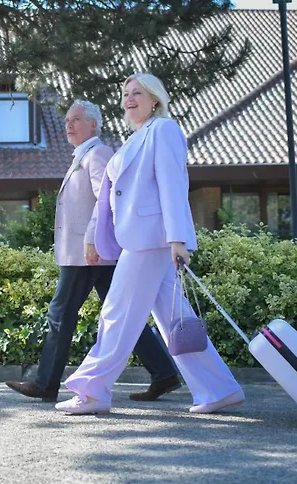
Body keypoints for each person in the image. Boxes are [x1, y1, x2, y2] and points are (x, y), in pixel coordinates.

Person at [55, 74, 245, 415]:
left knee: (116, 313)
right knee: (176, 320)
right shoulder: (137, 137)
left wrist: (177, 239)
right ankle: (219, 389)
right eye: (126, 94)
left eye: (137, 93)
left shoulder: (164, 130)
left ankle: (93, 391)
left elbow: (173, 184)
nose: (129, 99)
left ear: (155, 99)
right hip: (141, 238)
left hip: (151, 240)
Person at [5, 100, 180, 403]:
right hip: (95, 254)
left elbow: (107, 200)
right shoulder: (83, 155)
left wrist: (90, 240)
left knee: (60, 313)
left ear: (93, 124)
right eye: (67, 120)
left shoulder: (97, 154)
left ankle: (46, 383)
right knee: (124, 315)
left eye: (76, 120)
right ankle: (164, 373)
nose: (69, 125)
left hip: (88, 255)